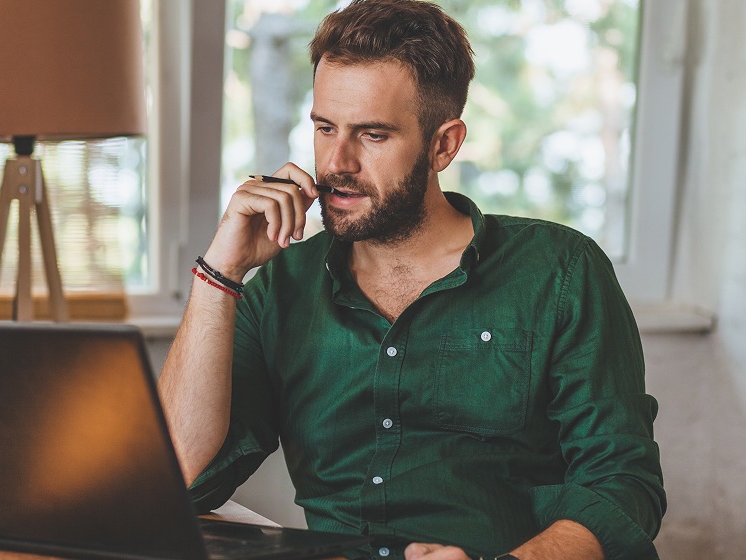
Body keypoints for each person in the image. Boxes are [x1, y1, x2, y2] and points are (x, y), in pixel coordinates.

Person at [157, 1, 666, 558]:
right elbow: (176, 479)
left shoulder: (560, 271)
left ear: (443, 145)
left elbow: (621, 483)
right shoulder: (282, 286)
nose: (337, 163)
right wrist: (221, 273)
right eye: (325, 128)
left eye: (373, 135)